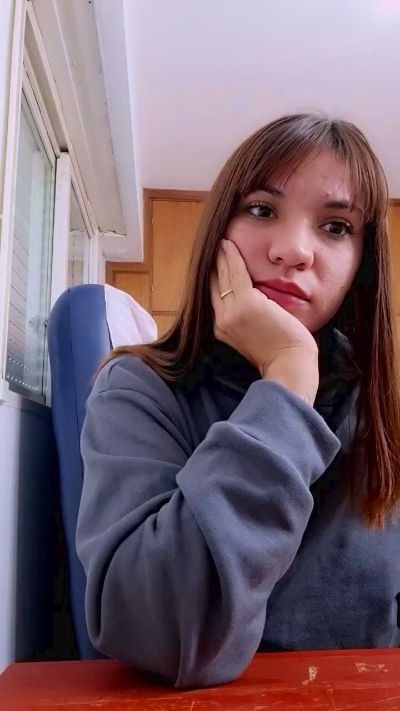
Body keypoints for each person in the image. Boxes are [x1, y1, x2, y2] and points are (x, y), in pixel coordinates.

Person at [76, 113, 400, 689]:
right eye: (261, 209)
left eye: (335, 227)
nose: (293, 250)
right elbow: (167, 638)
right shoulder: (138, 388)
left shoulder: (383, 407)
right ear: (218, 231)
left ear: (361, 264)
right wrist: (287, 380)